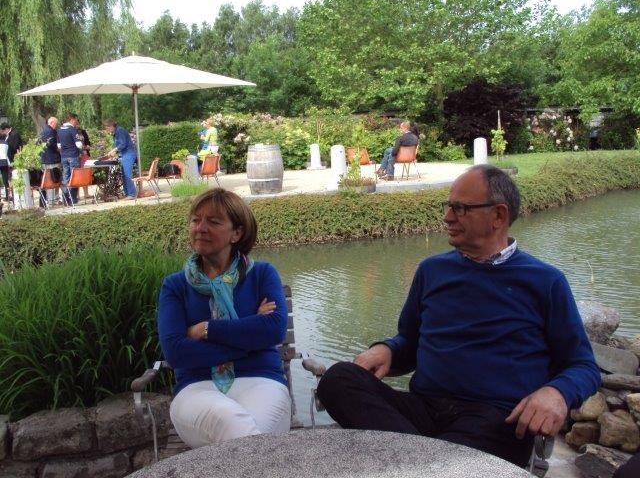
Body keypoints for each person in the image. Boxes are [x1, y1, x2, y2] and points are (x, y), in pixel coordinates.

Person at [317, 164, 601, 467]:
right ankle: (430, 465)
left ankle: (417, 461)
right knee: (338, 379)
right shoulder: (432, 271)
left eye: (461, 208)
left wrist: (557, 392)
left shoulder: (545, 281)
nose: (447, 217)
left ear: (498, 215)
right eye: (448, 206)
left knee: (438, 453)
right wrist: (387, 349)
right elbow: (409, 344)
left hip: (496, 420)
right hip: (424, 409)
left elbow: (583, 366)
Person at [157, 188, 291, 448]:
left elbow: (273, 329)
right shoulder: (175, 286)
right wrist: (249, 341)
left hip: (262, 381)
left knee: (246, 440)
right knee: (233, 424)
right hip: (196, 388)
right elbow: (176, 352)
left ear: (236, 233)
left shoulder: (262, 274)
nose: (201, 228)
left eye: (213, 221)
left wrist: (206, 329)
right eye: (196, 220)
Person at [103, 119, 137, 200]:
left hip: (128, 154)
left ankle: (132, 194)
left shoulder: (120, 131)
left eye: (107, 128)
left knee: (127, 175)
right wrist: (113, 152)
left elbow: (123, 144)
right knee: (124, 175)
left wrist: (114, 150)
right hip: (124, 154)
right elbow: (119, 146)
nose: (107, 130)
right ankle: (127, 193)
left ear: (111, 126)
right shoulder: (115, 133)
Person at [57, 113, 83, 205]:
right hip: (73, 156)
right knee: (74, 177)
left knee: (65, 177)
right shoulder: (72, 130)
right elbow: (79, 145)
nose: (77, 122)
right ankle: (73, 199)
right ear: (72, 119)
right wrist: (82, 147)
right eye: (76, 120)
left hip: (64, 156)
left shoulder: (59, 130)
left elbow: (59, 146)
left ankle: (65, 199)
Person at [39, 116, 62, 206]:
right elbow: (52, 144)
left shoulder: (43, 131)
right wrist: (59, 149)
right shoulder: (51, 131)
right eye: (56, 124)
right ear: (52, 123)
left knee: (47, 179)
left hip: (45, 159)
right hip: (53, 159)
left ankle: (51, 199)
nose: (57, 125)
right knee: (54, 179)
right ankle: (54, 199)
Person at [76, 119, 92, 201]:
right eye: (76, 123)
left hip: (85, 155)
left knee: (85, 173)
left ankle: (86, 193)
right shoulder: (72, 132)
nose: (77, 125)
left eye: (78, 123)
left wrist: (87, 146)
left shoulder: (83, 132)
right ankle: (77, 194)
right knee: (77, 174)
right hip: (76, 156)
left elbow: (88, 142)